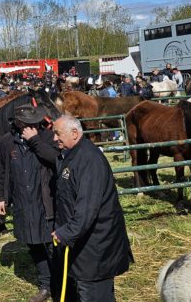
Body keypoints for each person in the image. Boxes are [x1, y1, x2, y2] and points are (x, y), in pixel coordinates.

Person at [51, 116, 133, 301]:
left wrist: (66, 233)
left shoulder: (89, 160)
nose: (54, 138)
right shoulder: (70, 155)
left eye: (57, 134)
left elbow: (87, 209)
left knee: (95, 295)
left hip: (96, 248)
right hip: (81, 245)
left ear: (74, 133)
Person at [0, 104, 60, 302]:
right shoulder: (7, 142)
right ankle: (46, 285)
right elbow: (1, 171)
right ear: (18, 122)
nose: (32, 125)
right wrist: (0, 197)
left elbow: (57, 160)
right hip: (23, 201)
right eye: (27, 122)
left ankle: (61, 285)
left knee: (52, 245)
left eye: (34, 121)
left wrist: (35, 141)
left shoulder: (48, 137)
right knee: (33, 243)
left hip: (46, 201)